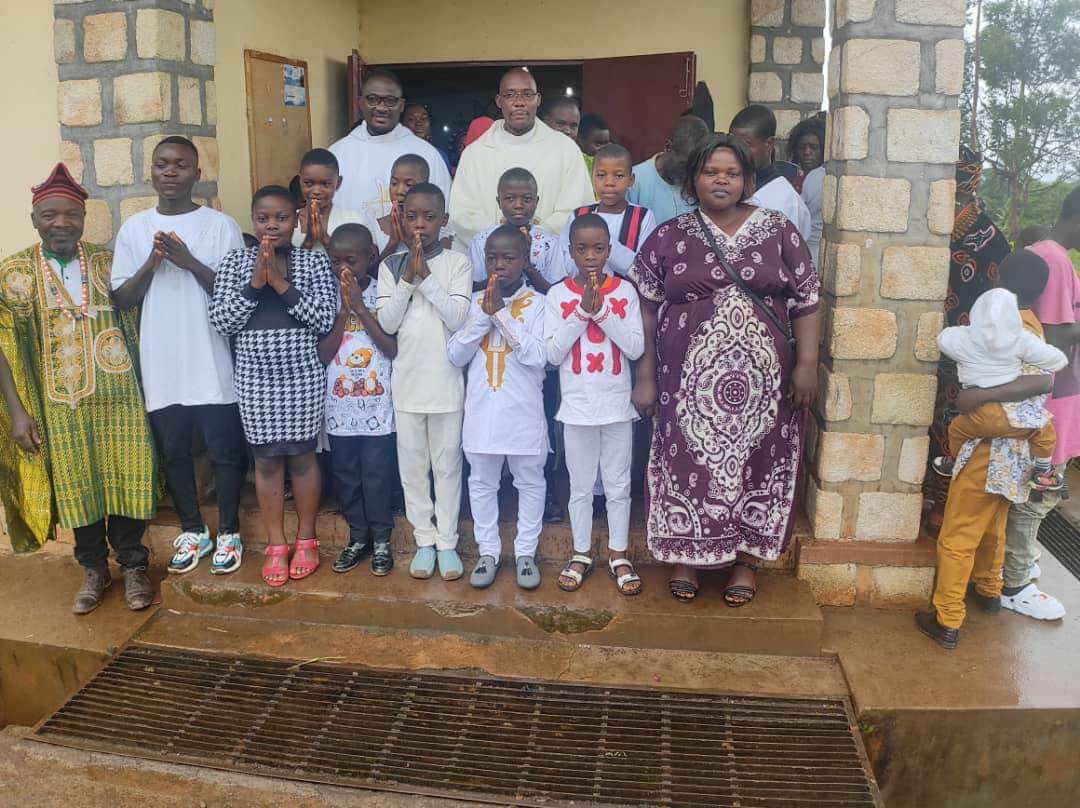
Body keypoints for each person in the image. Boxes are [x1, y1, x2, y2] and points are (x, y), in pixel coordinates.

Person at [630, 134, 820, 605]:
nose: (721, 181)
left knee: (758, 463)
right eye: (711, 172)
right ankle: (687, 556)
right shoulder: (670, 236)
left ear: (747, 180)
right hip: (686, 388)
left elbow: (807, 300)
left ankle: (745, 561)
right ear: (693, 180)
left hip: (763, 386)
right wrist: (645, 376)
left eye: (732, 173)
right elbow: (646, 309)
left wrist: (807, 365)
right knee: (687, 462)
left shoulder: (778, 231)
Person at [0, 163, 157, 613]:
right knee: (77, 486)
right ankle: (93, 569)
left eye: (71, 214)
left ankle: (134, 566)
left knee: (130, 478)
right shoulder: (13, 274)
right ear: (34, 220)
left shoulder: (109, 263)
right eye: (49, 215)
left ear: (84, 218)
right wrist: (18, 412)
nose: (61, 223)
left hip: (121, 400)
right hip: (58, 406)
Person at [111, 136, 248, 577]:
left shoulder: (220, 226)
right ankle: (193, 529)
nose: (170, 172)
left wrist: (188, 260)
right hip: (162, 357)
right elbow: (122, 299)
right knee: (173, 450)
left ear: (197, 174)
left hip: (210, 354)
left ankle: (229, 531)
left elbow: (236, 293)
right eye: (162, 164)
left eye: (181, 165)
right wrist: (152, 263)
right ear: (150, 171)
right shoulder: (135, 229)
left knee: (224, 450)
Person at [209, 185, 337, 587]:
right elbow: (222, 321)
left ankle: (307, 539)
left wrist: (280, 283)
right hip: (254, 376)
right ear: (252, 221)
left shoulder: (313, 262)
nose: (272, 225)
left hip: (302, 374)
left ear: (296, 221)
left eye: (281, 218)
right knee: (265, 461)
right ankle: (276, 544)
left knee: (302, 457)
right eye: (263, 218)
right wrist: (254, 284)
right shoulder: (235, 262)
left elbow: (324, 319)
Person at [376, 183, 472, 581]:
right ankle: (424, 541)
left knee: (447, 467)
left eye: (429, 217)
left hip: (446, 385)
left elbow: (458, 319)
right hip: (408, 386)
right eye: (412, 216)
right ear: (400, 219)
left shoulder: (457, 263)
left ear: (443, 221)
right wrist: (407, 280)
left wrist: (427, 277)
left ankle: (447, 542)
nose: (420, 225)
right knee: (413, 470)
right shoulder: (389, 266)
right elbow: (387, 323)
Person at [547, 214, 645, 596]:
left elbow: (634, 347)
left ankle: (619, 553)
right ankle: (581, 552)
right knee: (581, 486)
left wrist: (601, 311)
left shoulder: (625, 292)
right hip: (577, 408)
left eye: (599, 248)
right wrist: (581, 311)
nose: (590, 256)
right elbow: (553, 353)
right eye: (582, 249)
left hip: (617, 405)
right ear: (570, 252)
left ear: (609, 251)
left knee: (619, 484)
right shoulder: (558, 295)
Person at [448, 226, 548, 590]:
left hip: (523, 413)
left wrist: (502, 316)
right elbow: (455, 354)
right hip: (482, 413)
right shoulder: (474, 303)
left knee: (530, 482)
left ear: (525, 260)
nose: (499, 265)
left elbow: (540, 357)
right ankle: (488, 552)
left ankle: (525, 553)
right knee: (481, 483)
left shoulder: (539, 303)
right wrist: (484, 316)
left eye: (508, 257)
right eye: (492, 258)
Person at [999, 186, 1080, 620]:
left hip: (1048, 395)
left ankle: (1018, 562)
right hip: (1052, 397)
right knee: (1040, 493)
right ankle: (1016, 583)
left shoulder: (1044, 253)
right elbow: (1054, 333)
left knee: (1033, 489)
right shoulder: (1057, 260)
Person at [924, 147, 1013, 534]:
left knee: (952, 425)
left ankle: (945, 507)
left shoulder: (991, 238)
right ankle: (926, 497)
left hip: (965, 350)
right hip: (925, 341)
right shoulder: (928, 222)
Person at [318, 224, 398, 577]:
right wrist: (343, 311)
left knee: (377, 475)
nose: (343, 269)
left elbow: (391, 348)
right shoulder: (326, 296)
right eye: (335, 261)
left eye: (350, 260)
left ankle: (381, 539)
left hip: (378, 408)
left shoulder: (384, 294)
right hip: (340, 408)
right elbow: (323, 355)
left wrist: (361, 309)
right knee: (347, 475)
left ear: (371, 256)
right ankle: (358, 537)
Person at [935, 285, 1066, 488]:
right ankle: (1043, 472)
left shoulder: (963, 339)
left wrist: (965, 332)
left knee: (956, 430)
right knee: (1045, 433)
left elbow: (943, 339)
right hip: (1013, 415)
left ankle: (953, 461)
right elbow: (1055, 361)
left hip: (980, 412)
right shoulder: (1020, 340)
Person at [449, 67, 594, 248]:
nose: (519, 102)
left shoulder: (565, 149)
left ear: (538, 99)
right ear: (499, 101)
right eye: (510, 95)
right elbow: (462, 214)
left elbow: (577, 209)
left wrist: (536, 236)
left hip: (549, 257)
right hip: (491, 257)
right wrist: (502, 237)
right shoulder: (475, 154)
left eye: (527, 94)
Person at [328, 69, 451, 223]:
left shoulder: (426, 154)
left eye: (390, 100)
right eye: (372, 99)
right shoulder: (337, 154)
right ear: (360, 103)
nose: (381, 108)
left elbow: (442, 212)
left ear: (401, 105)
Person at [557, 143, 657, 279]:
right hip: (581, 289)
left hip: (625, 291)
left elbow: (642, 269)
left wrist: (605, 240)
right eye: (601, 175)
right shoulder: (578, 215)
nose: (609, 182)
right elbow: (563, 264)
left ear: (631, 180)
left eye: (619, 176)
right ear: (592, 177)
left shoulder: (643, 217)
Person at [467, 167, 563, 293]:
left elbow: (556, 293)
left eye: (527, 199)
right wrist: (502, 275)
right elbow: (474, 288)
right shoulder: (481, 240)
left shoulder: (550, 243)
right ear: (499, 202)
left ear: (536, 202)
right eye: (510, 199)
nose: (519, 205)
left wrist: (526, 262)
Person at [730, 105, 812, 240]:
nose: (737, 151)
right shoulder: (729, 187)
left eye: (746, 145)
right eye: (732, 143)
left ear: (769, 143)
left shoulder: (785, 201)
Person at [292, 148, 379, 256]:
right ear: (299, 181)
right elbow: (285, 263)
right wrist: (309, 241)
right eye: (308, 183)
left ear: (338, 183)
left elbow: (371, 262)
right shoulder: (288, 222)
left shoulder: (354, 221)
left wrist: (324, 238)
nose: (316, 191)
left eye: (325, 184)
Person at [626, 115, 710, 224]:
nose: (691, 171)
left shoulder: (700, 182)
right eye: (685, 164)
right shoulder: (635, 181)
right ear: (668, 147)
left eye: (697, 165)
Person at [374, 153, 431, 261]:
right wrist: (393, 242)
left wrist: (407, 240)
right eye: (394, 183)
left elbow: (438, 268)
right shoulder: (375, 227)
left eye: (409, 185)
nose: (399, 191)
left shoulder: (435, 228)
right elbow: (371, 270)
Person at [402, 103, 452, 174]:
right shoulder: (396, 152)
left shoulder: (438, 155)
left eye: (423, 118)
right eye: (411, 119)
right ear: (402, 124)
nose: (419, 123)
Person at [786, 117, 826, 193]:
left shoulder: (826, 182)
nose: (806, 152)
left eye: (813, 147)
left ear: (824, 149)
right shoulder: (793, 181)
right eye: (801, 147)